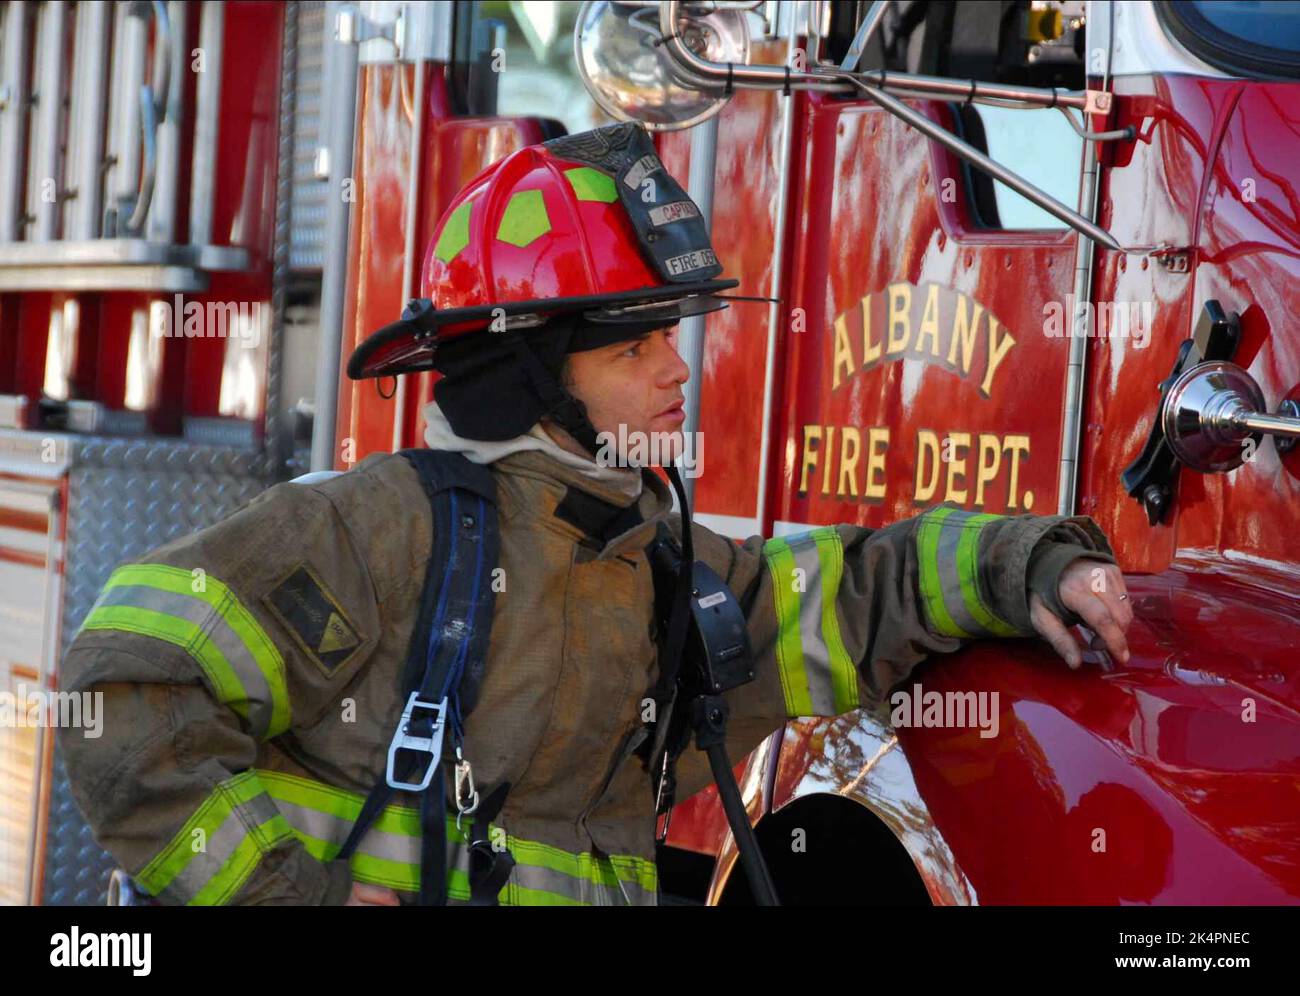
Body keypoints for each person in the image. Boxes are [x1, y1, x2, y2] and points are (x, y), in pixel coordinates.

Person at [58, 124, 1130, 906]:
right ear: (529, 375)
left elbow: (850, 598)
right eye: (634, 346)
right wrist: (296, 899)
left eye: (670, 336)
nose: (678, 373)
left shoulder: (647, 563)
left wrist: (1029, 562)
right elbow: (123, 693)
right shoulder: (372, 531)